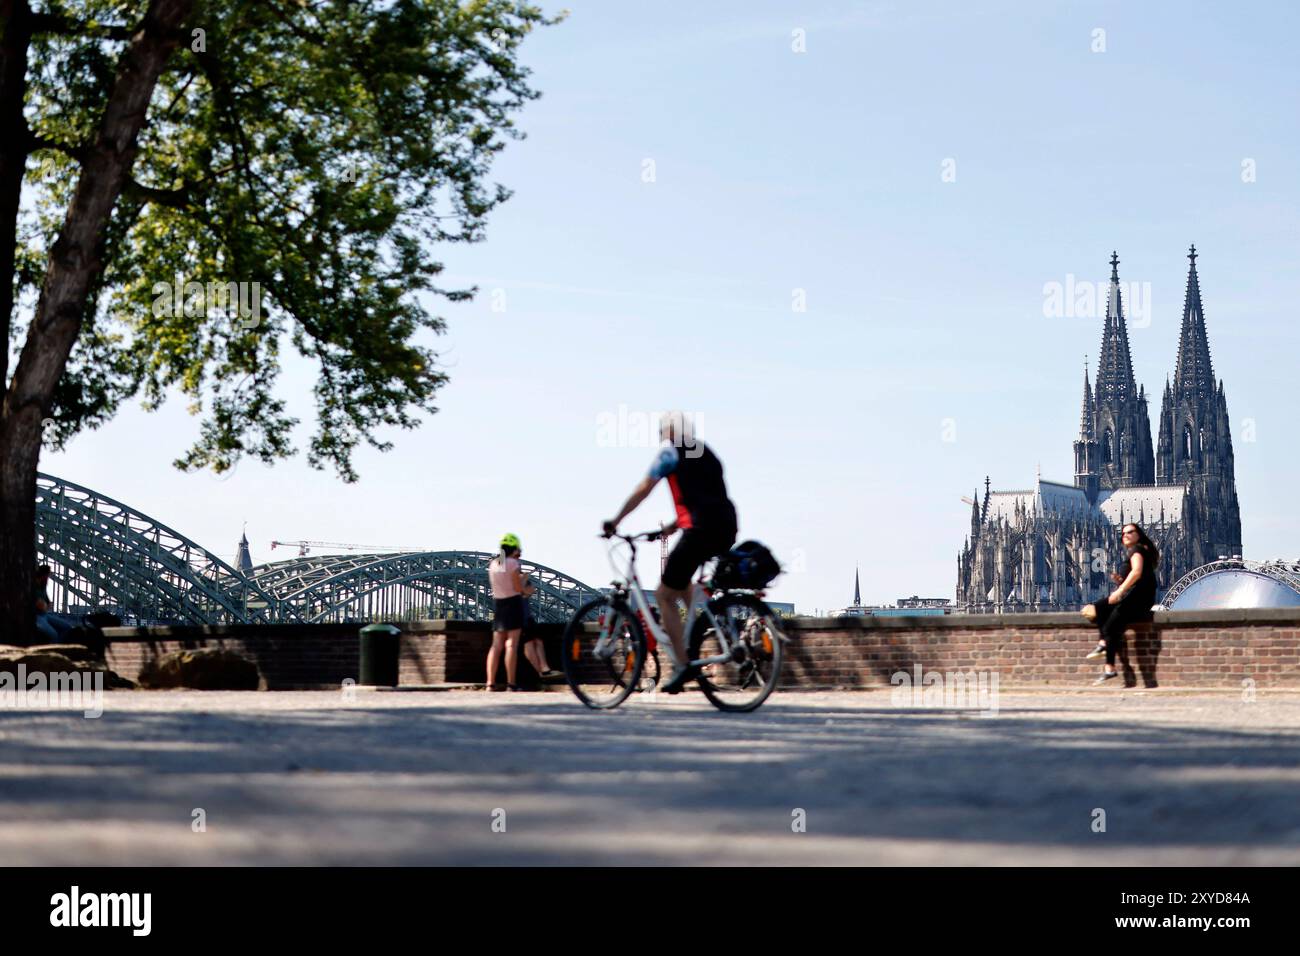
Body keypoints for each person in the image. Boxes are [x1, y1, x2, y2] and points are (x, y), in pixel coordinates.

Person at [603, 411, 738, 694]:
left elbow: (644, 488)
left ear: (668, 432)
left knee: (664, 594)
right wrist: (675, 526)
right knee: (682, 580)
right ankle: (693, 633)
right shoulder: (707, 452)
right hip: (726, 525)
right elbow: (708, 496)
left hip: (700, 529)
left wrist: (616, 521)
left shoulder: (670, 453)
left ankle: (683, 663)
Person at [1081, 523, 1159, 685]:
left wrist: (1120, 589)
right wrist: (1121, 580)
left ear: (1138, 534)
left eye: (1130, 532)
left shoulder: (1137, 550)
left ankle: (1106, 653)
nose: (1126, 535)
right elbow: (1139, 575)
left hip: (1136, 598)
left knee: (1101, 613)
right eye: (1123, 533)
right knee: (1107, 619)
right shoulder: (1138, 550)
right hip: (1136, 596)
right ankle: (1108, 661)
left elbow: (1137, 572)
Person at [516, 559, 562, 681]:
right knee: (529, 644)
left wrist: (523, 584)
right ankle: (540, 672)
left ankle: (545, 668)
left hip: (527, 617)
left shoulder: (520, 578)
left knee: (538, 641)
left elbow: (530, 591)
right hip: (518, 617)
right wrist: (522, 582)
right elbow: (518, 592)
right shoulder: (508, 579)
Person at [34, 565, 79, 643]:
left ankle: (59, 646)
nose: (49, 577)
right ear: (44, 574)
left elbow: (47, 604)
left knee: (67, 627)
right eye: (48, 575)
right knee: (53, 634)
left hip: (44, 615)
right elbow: (41, 605)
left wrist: (44, 605)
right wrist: (43, 605)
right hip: (36, 616)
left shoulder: (42, 586)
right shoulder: (33, 586)